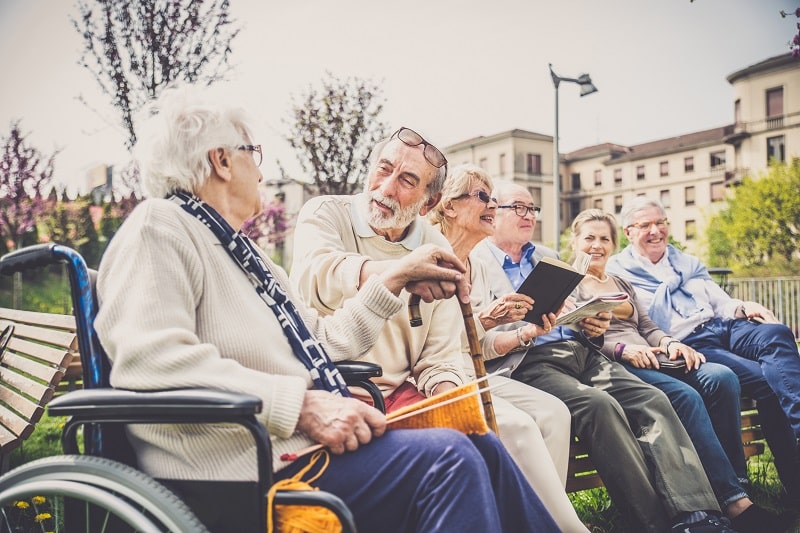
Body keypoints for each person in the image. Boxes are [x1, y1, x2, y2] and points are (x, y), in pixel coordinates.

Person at [93, 85, 560, 533]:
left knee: (482, 446)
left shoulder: (244, 256)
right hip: (238, 468)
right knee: (450, 459)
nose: (261, 171)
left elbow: (323, 340)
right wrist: (301, 405)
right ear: (219, 160)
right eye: (252, 154)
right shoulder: (160, 228)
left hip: (296, 451)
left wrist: (393, 280)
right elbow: (150, 359)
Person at [289, 128, 575, 530]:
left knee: (483, 440)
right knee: (479, 446)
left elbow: (440, 356)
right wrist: (398, 273)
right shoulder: (327, 213)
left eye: (407, 181)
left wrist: (451, 403)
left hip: (406, 393)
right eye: (384, 169)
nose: (386, 187)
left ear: (430, 202)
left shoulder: (434, 242)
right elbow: (317, 274)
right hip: (335, 393)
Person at [471, 181, 733, 533]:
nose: (528, 215)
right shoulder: (477, 260)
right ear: (494, 212)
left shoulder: (545, 255)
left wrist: (592, 323)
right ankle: (653, 523)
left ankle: (698, 514)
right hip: (530, 361)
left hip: (582, 351)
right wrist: (523, 331)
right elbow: (477, 333)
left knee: (652, 398)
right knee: (599, 406)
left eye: (532, 208)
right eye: (518, 207)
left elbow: (569, 310)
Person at [570, 208, 796, 532]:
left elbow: (647, 324)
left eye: (604, 238)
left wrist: (669, 343)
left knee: (721, 377)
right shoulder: (572, 285)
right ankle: (736, 503)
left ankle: (737, 481)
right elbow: (580, 337)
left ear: (614, 242)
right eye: (589, 238)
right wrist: (624, 349)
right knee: (686, 396)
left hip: (655, 353)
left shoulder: (619, 281)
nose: (596, 245)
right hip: (619, 362)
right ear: (575, 241)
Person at [429, 163, 588, 532]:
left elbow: (481, 347)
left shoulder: (478, 267)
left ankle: (533, 521)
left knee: (555, 414)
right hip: (440, 376)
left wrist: (525, 331)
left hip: (477, 370)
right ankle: (565, 527)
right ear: (450, 206)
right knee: (521, 426)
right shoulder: (428, 254)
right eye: (483, 197)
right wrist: (485, 320)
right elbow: (427, 346)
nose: (492, 205)